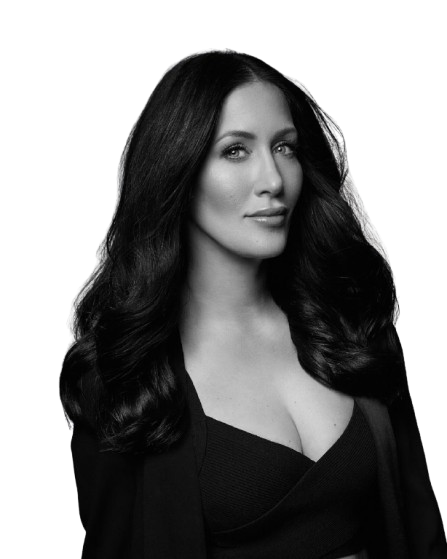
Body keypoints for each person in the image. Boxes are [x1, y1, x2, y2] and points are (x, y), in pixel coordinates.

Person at [59, 49, 446, 558]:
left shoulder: (351, 328)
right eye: (236, 150)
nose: (273, 180)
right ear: (179, 169)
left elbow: (422, 530)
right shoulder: (130, 379)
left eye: (284, 147)